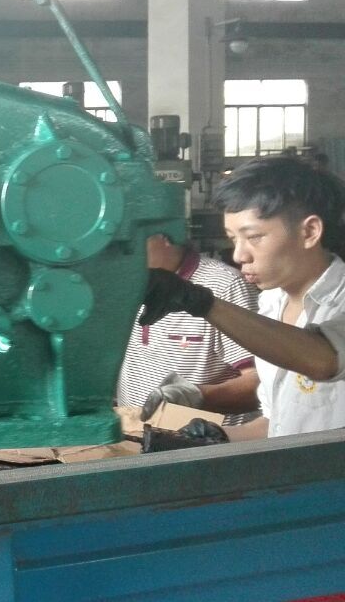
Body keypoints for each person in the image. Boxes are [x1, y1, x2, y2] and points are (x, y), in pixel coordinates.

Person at [141, 155, 345, 439]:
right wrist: (217, 438)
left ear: (309, 231)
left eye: (254, 237)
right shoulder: (271, 302)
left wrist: (201, 302)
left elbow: (326, 361)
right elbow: (276, 424)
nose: (239, 255)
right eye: (233, 239)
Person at [121, 234, 260, 425]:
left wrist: (195, 396)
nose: (119, 253)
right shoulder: (127, 284)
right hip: (134, 434)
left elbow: (261, 382)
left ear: (164, 234)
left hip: (202, 439)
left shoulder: (226, 285)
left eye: (128, 242)